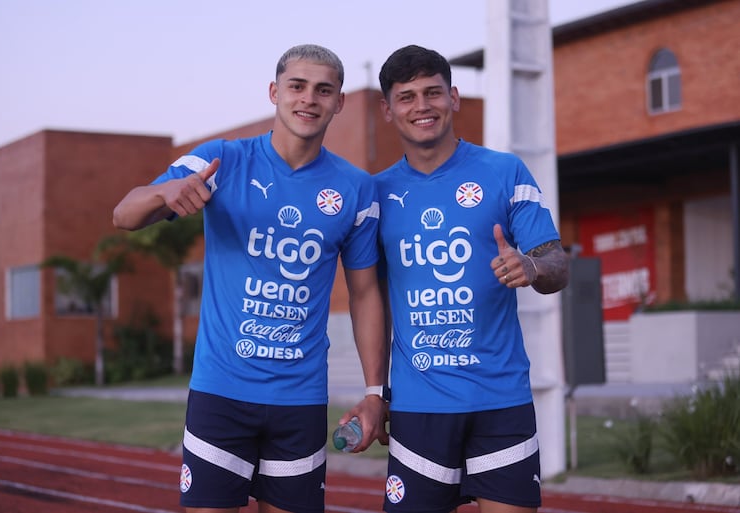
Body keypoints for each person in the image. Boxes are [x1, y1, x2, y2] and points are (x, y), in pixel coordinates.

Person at [113, 44, 389, 513]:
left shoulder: (356, 188)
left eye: (324, 90)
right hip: (221, 393)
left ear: (339, 102)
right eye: (297, 86)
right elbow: (124, 215)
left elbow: (364, 294)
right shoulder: (222, 161)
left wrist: (373, 393)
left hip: (299, 401)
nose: (309, 99)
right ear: (274, 92)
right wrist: (166, 191)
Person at [375, 45, 570, 513]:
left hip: (499, 399)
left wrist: (532, 267)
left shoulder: (505, 172)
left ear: (455, 97)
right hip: (418, 404)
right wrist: (376, 391)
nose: (422, 106)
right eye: (406, 97)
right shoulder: (374, 193)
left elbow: (558, 265)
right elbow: (373, 300)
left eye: (432, 92)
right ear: (387, 110)